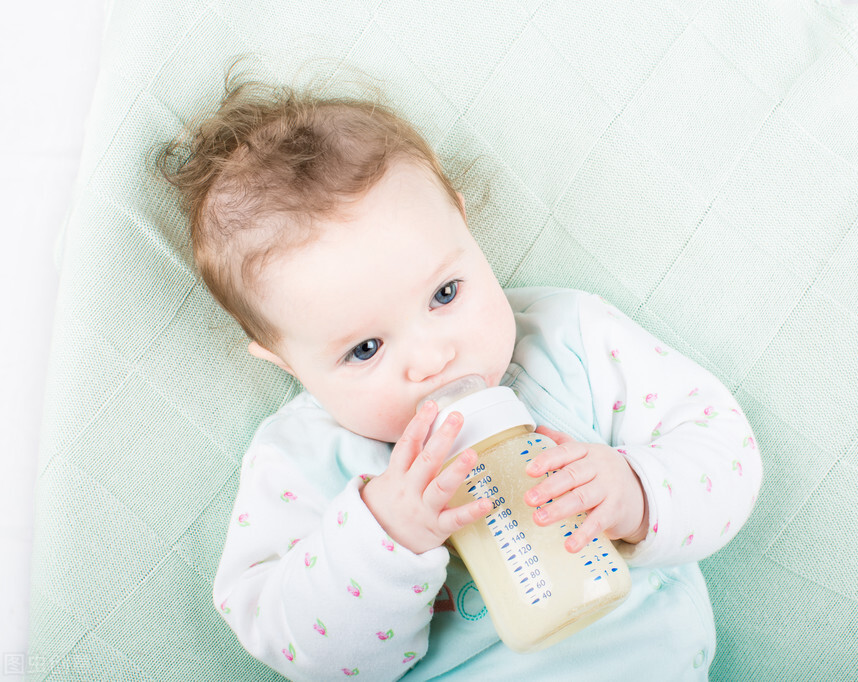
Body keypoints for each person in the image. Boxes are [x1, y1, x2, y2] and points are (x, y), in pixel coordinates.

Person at [158, 74, 762, 681]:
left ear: (466, 229)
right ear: (287, 362)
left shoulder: (568, 339)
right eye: (365, 349)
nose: (432, 360)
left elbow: (722, 445)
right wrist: (383, 536)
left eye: (445, 294)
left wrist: (634, 490)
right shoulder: (302, 458)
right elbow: (293, 645)